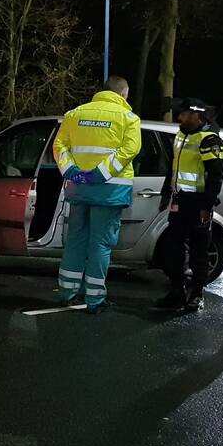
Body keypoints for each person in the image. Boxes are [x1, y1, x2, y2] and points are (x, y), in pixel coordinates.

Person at [53, 76, 142, 314]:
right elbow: (130, 150)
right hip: (110, 190)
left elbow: (59, 145)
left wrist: (71, 170)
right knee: (101, 244)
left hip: (79, 188)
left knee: (76, 240)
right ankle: (95, 299)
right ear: (123, 94)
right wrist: (100, 173)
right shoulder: (128, 118)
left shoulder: (74, 114)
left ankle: (67, 292)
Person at [153, 97, 223, 313]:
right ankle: (176, 292)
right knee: (173, 248)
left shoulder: (209, 140)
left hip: (198, 204)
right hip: (179, 201)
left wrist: (206, 206)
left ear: (196, 115)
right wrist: (166, 194)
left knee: (199, 251)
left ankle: (196, 294)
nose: (179, 117)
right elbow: (172, 168)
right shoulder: (181, 136)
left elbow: (215, 177)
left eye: (183, 114)